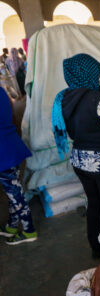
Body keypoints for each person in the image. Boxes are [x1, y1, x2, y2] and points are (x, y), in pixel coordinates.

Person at [51, 53, 100, 259]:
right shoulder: (97, 99)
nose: (98, 80)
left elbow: (69, 130)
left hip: (80, 160)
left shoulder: (63, 98)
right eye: (96, 75)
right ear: (87, 74)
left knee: (94, 204)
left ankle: (96, 248)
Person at [0, 86, 37, 244]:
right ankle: (12, 226)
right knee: (12, 191)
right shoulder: (1, 90)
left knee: (15, 194)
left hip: (3, 151)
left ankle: (29, 231)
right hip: (10, 144)